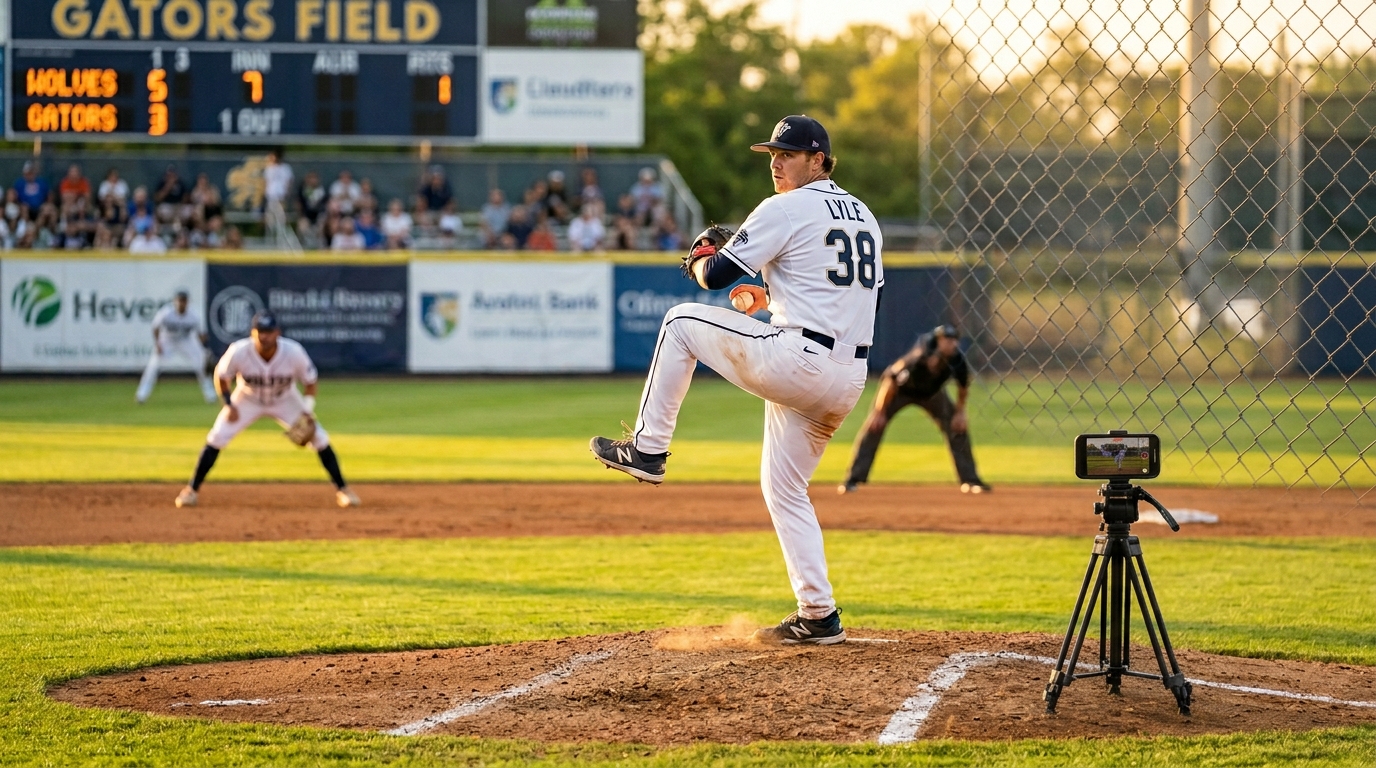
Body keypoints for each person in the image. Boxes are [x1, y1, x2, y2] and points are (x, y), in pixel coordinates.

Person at [589, 115, 881, 646]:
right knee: (784, 488)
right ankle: (819, 614)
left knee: (680, 320)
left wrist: (703, 255)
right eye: (772, 152)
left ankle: (648, 450)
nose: (776, 161)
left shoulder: (786, 206)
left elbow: (715, 277)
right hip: (848, 375)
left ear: (819, 160)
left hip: (801, 360)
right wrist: (772, 301)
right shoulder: (864, 214)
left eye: (788, 153)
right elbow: (843, 294)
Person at [174, 311, 361, 509]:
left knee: (320, 438)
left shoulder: (293, 352)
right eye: (260, 331)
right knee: (217, 436)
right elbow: (221, 376)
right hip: (247, 398)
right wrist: (229, 405)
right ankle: (191, 490)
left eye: (268, 331)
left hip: (285, 398)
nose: (264, 336)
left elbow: (310, 382)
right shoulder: (238, 351)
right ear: (252, 333)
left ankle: (344, 490)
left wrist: (307, 410)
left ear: (277, 333)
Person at [838, 325, 990, 495]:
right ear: (939, 341)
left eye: (955, 340)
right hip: (901, 392)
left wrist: (960, 413)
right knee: (874, 427)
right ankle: (853, 479)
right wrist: (879, 412)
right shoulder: (919, 358)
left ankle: (971, 480)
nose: (953, 344)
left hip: (933, 394)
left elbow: (963, 386)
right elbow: (891, 378)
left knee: (957, 429)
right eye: (948, 340)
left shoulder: (957, 360)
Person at [136, 290, 216, 405]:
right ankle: (141, 395)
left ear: (187, 302)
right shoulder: (166, 312)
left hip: (186, 340)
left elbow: (201, 335)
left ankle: (210, 395)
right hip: (167, 340)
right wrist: (158, 344)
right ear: (174, 301)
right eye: (179, 300)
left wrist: (202, 350)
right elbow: (155, 328)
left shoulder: (194, 315)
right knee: (154, 365)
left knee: (201, 364)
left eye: (183, 301)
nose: (181, 303)